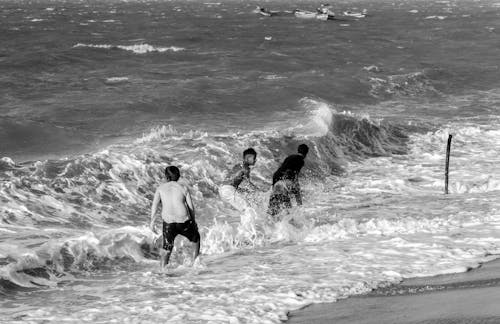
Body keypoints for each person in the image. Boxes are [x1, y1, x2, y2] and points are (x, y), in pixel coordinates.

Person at [150, 166, 200, 269]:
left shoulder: (160, 189)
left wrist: (152, 223)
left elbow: (154, 206)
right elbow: (191, 208)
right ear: (178, 176)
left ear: (166, 177)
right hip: (184, 221)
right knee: (196, 238)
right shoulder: (183, 188)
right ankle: (195, 264)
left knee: (167, 249)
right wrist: (193, 222)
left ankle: (163, 270)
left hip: (169, 223)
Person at [267, 144, 309, 217]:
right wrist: (300, 205)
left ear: (298, 150)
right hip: (283, 184)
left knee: (272, 210)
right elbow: (295, 175)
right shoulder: (301, 161)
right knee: (288, 213)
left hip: (276, 178)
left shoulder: (289, 157)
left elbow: (282, 168)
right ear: (306, 154)